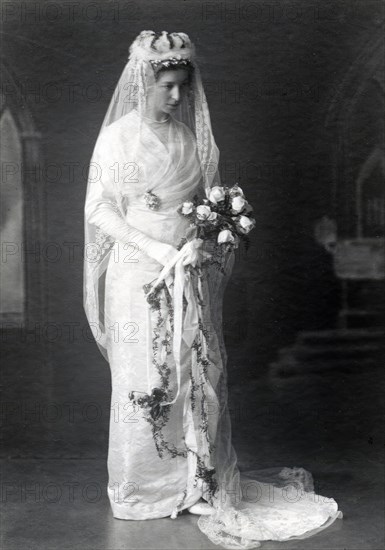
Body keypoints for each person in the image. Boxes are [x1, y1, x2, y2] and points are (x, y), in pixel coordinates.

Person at [84, 30, 342, 549]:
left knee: (192, 372)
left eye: (184, 87)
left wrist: (203, 242)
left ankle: (194, 482)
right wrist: (153, 249)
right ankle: (144, 490)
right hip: (138, 276)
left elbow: (200, 208)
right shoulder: (119, 139)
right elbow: (99, 210)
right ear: (143, 83)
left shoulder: (188, 139)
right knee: (146, 375)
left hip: (190, 270)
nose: (178, 97)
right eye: (168, 87)